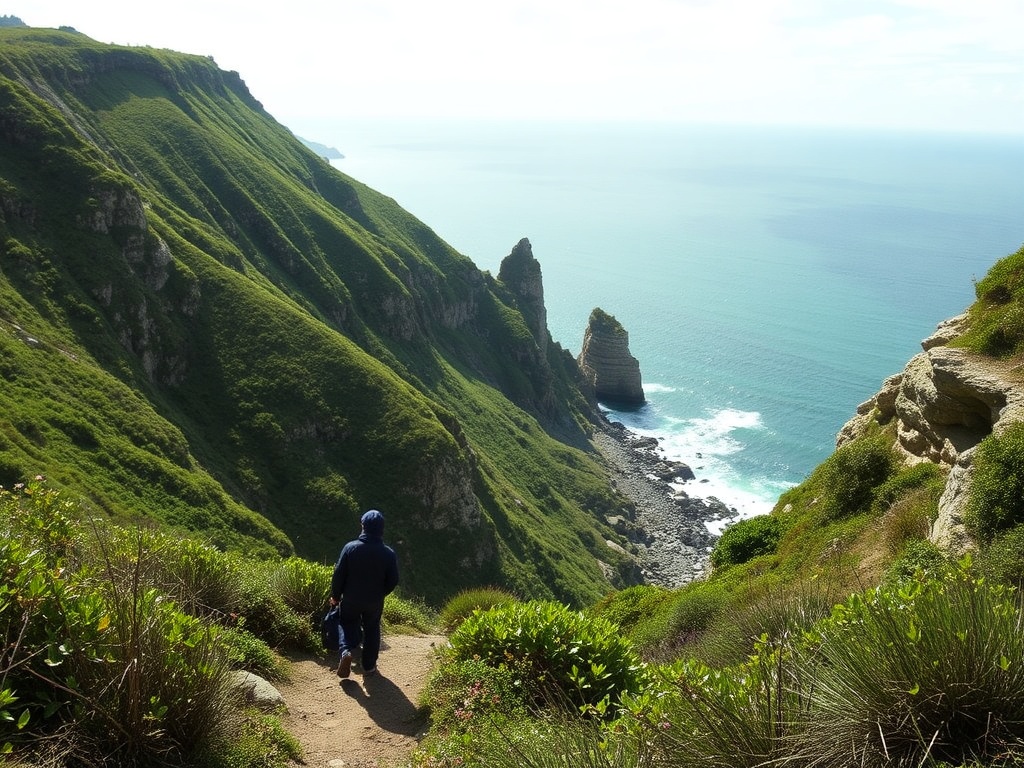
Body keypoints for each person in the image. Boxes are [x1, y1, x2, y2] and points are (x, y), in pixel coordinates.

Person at [330, 509, 400, 679]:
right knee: (372, 629)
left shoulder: (350, 548)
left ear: (363, 526)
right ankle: (368, 666)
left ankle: (346, 651)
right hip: (374, 601)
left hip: (351, 598)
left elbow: (339, 575)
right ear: (382, 529)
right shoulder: (388, 554)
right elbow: (393, 580)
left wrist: (336, 596)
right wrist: (381, 593)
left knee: (346, 623)